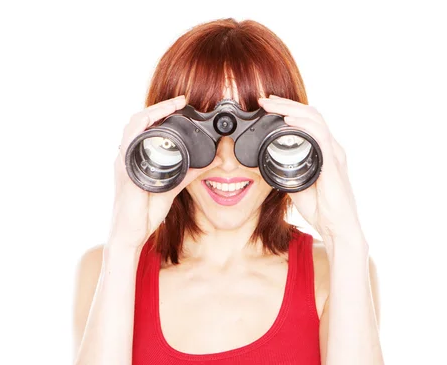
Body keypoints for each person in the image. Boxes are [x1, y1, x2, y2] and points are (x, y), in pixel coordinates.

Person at [72, 18, 383, 365]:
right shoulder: (106, 268)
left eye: (255, 132)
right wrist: (124, 243)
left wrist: (346, 238)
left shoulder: (336, 270)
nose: (227, 161)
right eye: (196, 131)